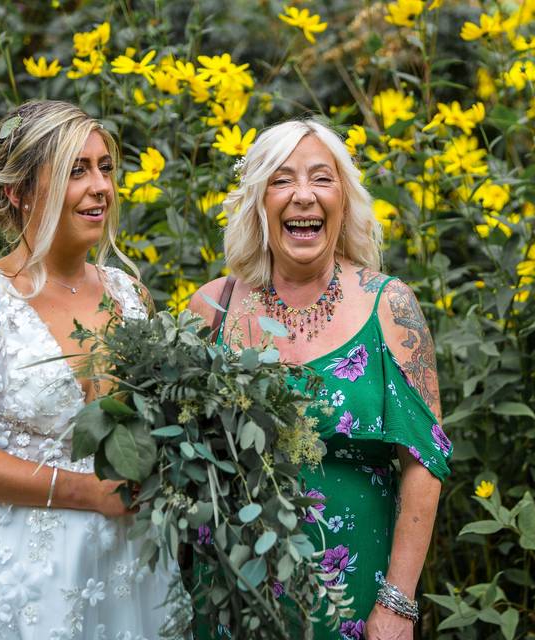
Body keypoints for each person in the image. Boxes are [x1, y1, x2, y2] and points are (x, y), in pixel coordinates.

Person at [0, 100, 174, 639]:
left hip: (131, 567)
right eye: (76, 170)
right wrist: (85, 492)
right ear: (18, 191)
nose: (100, 185)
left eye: (105, 167)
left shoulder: (131, 295)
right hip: (20, 572)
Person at [188, 119, 452, 640]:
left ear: (345, 200)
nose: (303, 196)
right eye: (282, 180)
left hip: (352, 592)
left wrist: (398, 603)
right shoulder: (210, 309)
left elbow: (426, 458)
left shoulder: (389, 306)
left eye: (321, 179)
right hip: (233, 594)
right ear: (258, 201)